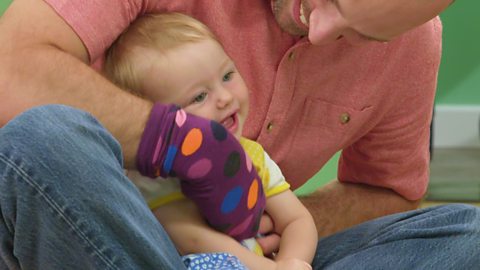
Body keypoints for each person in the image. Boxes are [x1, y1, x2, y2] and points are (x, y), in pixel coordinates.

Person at [0, 0, 479, 269]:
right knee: (41, 135)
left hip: (259, 255)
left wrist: (265, 226)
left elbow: (387, 192)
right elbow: (11, 71)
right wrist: (186, 146)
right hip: (111, 231)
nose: (319, 34)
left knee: (467, 235)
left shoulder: (415, 46)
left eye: (363, 35)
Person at [103, 12, 317, 270]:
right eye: (199, 96)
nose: (225, 98)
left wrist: (292, 261)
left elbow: (296, 220)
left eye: (227, 76)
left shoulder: (252, 156)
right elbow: (190, 237)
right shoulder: (151, 178)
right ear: (160, 123)